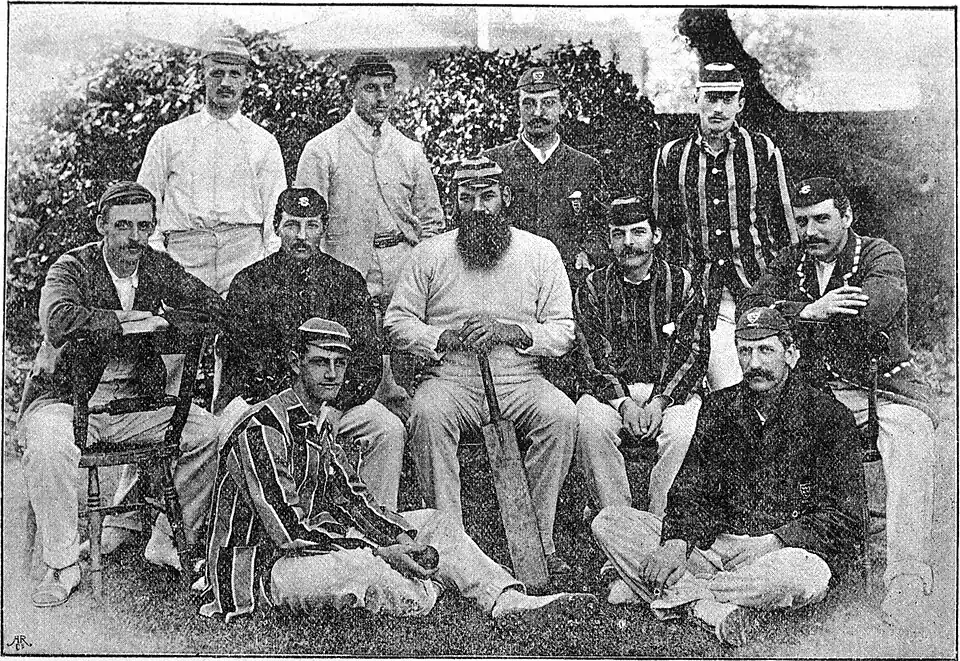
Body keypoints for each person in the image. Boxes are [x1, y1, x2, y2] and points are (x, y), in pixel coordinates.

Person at [199, 317, 596, 622]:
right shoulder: (262, 427)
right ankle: (426, 589)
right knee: (363, 566)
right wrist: (384, 550)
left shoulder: (318, 420)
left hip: (312, 550)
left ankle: (506, 600)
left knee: (434, 522)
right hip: (260, 567)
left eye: (340, 364)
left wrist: (400, 536)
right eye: (319, 363)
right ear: (294, 363)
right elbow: (288, 530)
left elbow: (352, 499)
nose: (332, 374)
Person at [592, 307, 863, 646]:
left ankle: (690, 598)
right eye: (745, 351)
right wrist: (678, 542)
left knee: (805, 575)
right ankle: (715, 606)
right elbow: (690, 489)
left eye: (766, 350)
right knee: (610, 521)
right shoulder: (719, 407)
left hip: (779, 553)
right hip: (716, 548)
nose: (754, 363)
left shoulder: (828, 416)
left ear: (791, 354)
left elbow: (846, 518)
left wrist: (777, 540)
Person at [740, 176, 938, 630]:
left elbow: (869, 313)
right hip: (812, 393)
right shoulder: (790, 260)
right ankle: (762, 561)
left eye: (822, 219)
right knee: (746, 424)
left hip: (876, 389)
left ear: (847, 217)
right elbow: (752, 309)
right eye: (802, 221)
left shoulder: (879, 255)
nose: (810, 231)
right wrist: (809, 309)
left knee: (911, 435)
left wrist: (788, 316)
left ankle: (907, 578)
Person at [16, 182, 224, 608]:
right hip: (69, 403)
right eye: (123, 226)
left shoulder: (156, 265)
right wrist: (128, 320)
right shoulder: (72, 267)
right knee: (48, 443)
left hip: (132, 406)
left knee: (208, 432)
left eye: (144, 226)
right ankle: (63, 564)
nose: (134, 237)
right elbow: (58, 321)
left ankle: (166, 539)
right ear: (102, 225)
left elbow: (212, 308)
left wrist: (165, 322)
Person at [384, 156, 579, 575]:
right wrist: (443, 337)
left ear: (505, 197)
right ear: (453, 203)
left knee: (561, 414)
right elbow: (397, 322)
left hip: (519, 376)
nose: (477, 208)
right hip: (451, 376)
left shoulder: (539, 252)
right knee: (428, 414)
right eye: (466, 198)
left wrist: (512, 331)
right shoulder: (430, 253)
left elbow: (563, 331)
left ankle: (537, 542)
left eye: (487, 196)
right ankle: (449, 547)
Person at [214, 187, 404, 508]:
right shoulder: (249, 282)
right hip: (266, 403)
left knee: (387, 429)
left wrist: (337, 405)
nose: (302, 236)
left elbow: (367, 361)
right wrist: (287, 408)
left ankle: (377, 525)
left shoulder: (347, 281)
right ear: (276, 227)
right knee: (221, 433)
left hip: (332, 405)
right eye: (292, 225)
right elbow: (241, 362)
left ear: (323, 229)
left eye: (311, 225)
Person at [652, 62, 797, 391]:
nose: (718, 108)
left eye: (727, 99)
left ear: (740, 104)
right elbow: (663, 232)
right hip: (700, 299)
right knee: (727, 387)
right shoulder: (672, 156)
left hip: (757, 291)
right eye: (711, 98)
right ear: (696, 99)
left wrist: (777, 289)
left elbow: (786, 230)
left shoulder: (761, 150)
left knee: (766, 383)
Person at [575, 197, 710, 518]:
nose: (629, 243)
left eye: (638, 232)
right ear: (609, 240)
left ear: (656, 235)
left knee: (682, 432)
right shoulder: (593, 286)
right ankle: (618, 522)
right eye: (618, 234)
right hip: (613, 395)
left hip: (670, 393)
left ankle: (662, 522)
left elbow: (693, 350)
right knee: (589, 423)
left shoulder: (682, 283)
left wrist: (660, 402)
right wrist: (624, 403)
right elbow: (591, 355)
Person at [137, 35, 286, 298]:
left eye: (234, 74)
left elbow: (275, 210)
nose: (225, 83)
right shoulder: (169, 137)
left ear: (247, 80)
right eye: (217, 73)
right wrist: (160, 258)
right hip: (185, 257)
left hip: (245, 257)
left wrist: (268, 265)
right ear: (202, 76)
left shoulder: (263, 142)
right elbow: (145, 202)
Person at [294, 51, 444, 311]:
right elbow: (306, 224)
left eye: (388, 88)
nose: (382, 97)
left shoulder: (409, 150)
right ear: (351, 91)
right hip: (344, 274)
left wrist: (421, 269)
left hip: (404, 273)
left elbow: (431, 220)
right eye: (371, 88)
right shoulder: (322, 149)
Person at [483, 65, 604, 276]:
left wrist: (588, 253)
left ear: (563, 106)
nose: (538, 112)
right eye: (528, 103)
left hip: (567, 278)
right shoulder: (493, 162)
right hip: (507, 277)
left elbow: (601, 225)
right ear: (518, 108)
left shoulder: (586, 166)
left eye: (548, 103)